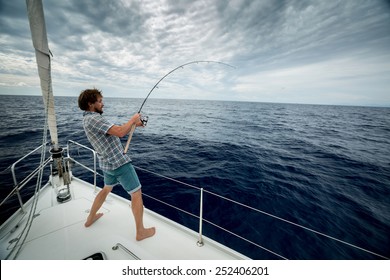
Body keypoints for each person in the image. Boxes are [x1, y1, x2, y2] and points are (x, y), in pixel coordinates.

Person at [78, 88, 155, 241]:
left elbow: (115, 130)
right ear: (90, 103)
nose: (102, 104)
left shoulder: (88, 119)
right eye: (100, 101)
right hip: (119, 163)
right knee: (136, 194)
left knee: (106, 190)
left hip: (107, 164)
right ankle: (140, 232)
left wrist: (134, 125)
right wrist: (133, 119)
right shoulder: (95, 119)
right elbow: (120, 132)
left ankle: (90, 219)